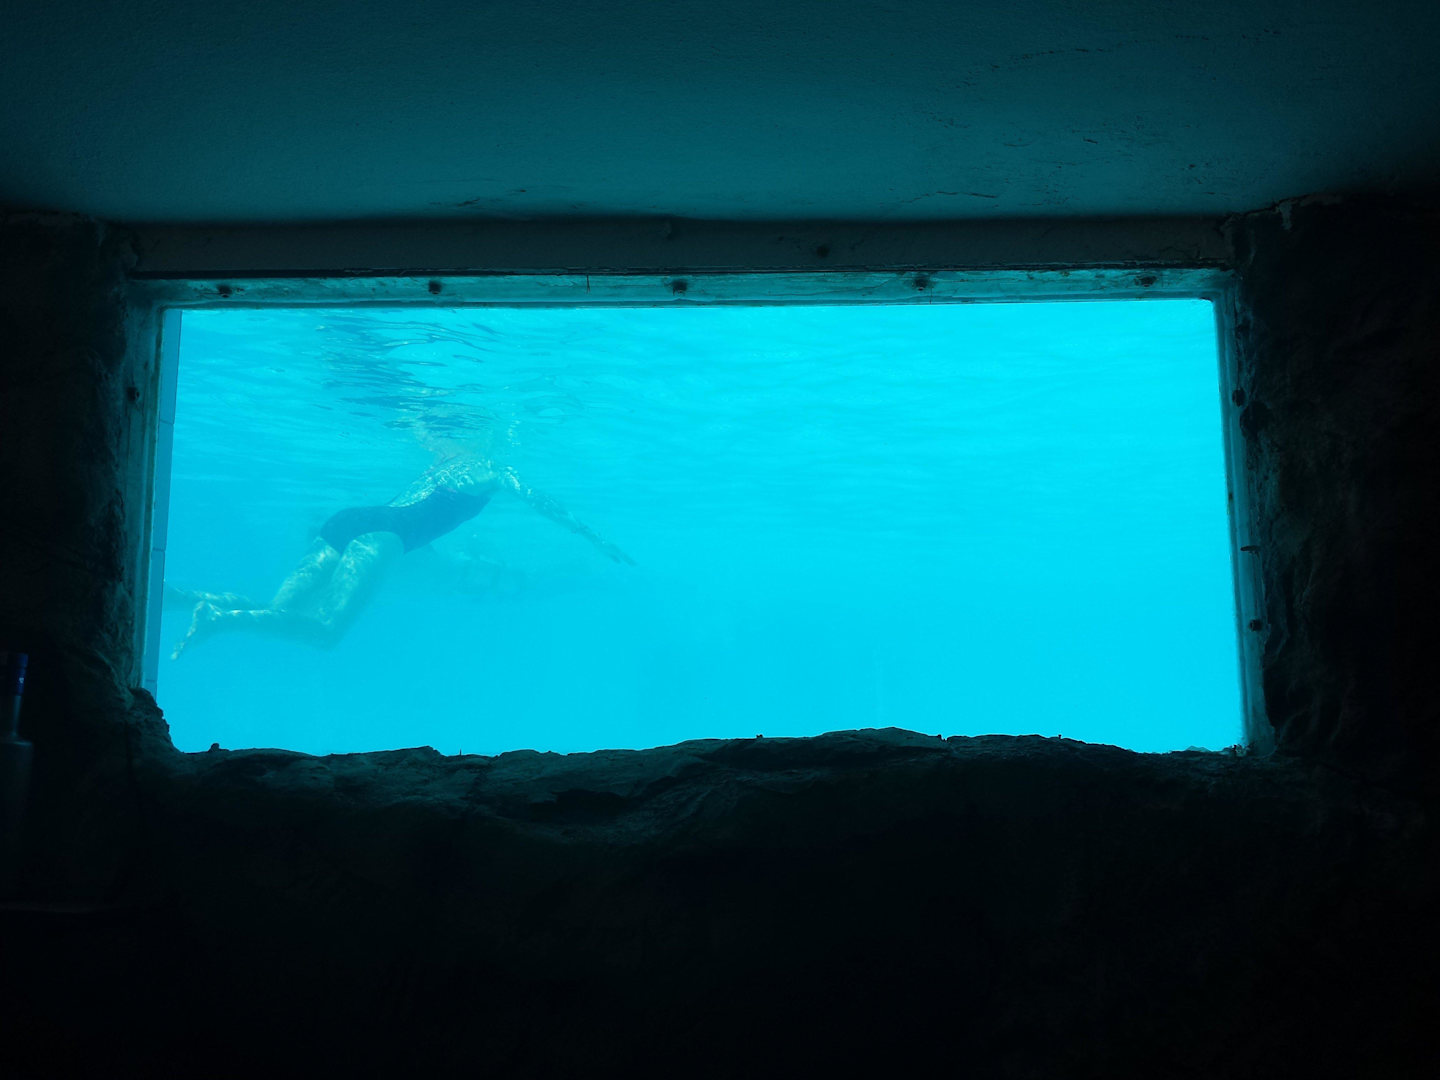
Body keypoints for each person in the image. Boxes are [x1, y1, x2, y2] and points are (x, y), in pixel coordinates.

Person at [170, 455, 632, 657]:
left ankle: (191, 599)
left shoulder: (440, 466)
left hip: (347, 520)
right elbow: (541, 501)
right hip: (386, 534)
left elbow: (420, 510)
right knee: (326, 632)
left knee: (280, 613)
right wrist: (594, 538)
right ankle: (218, 621)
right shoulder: (492, 468)